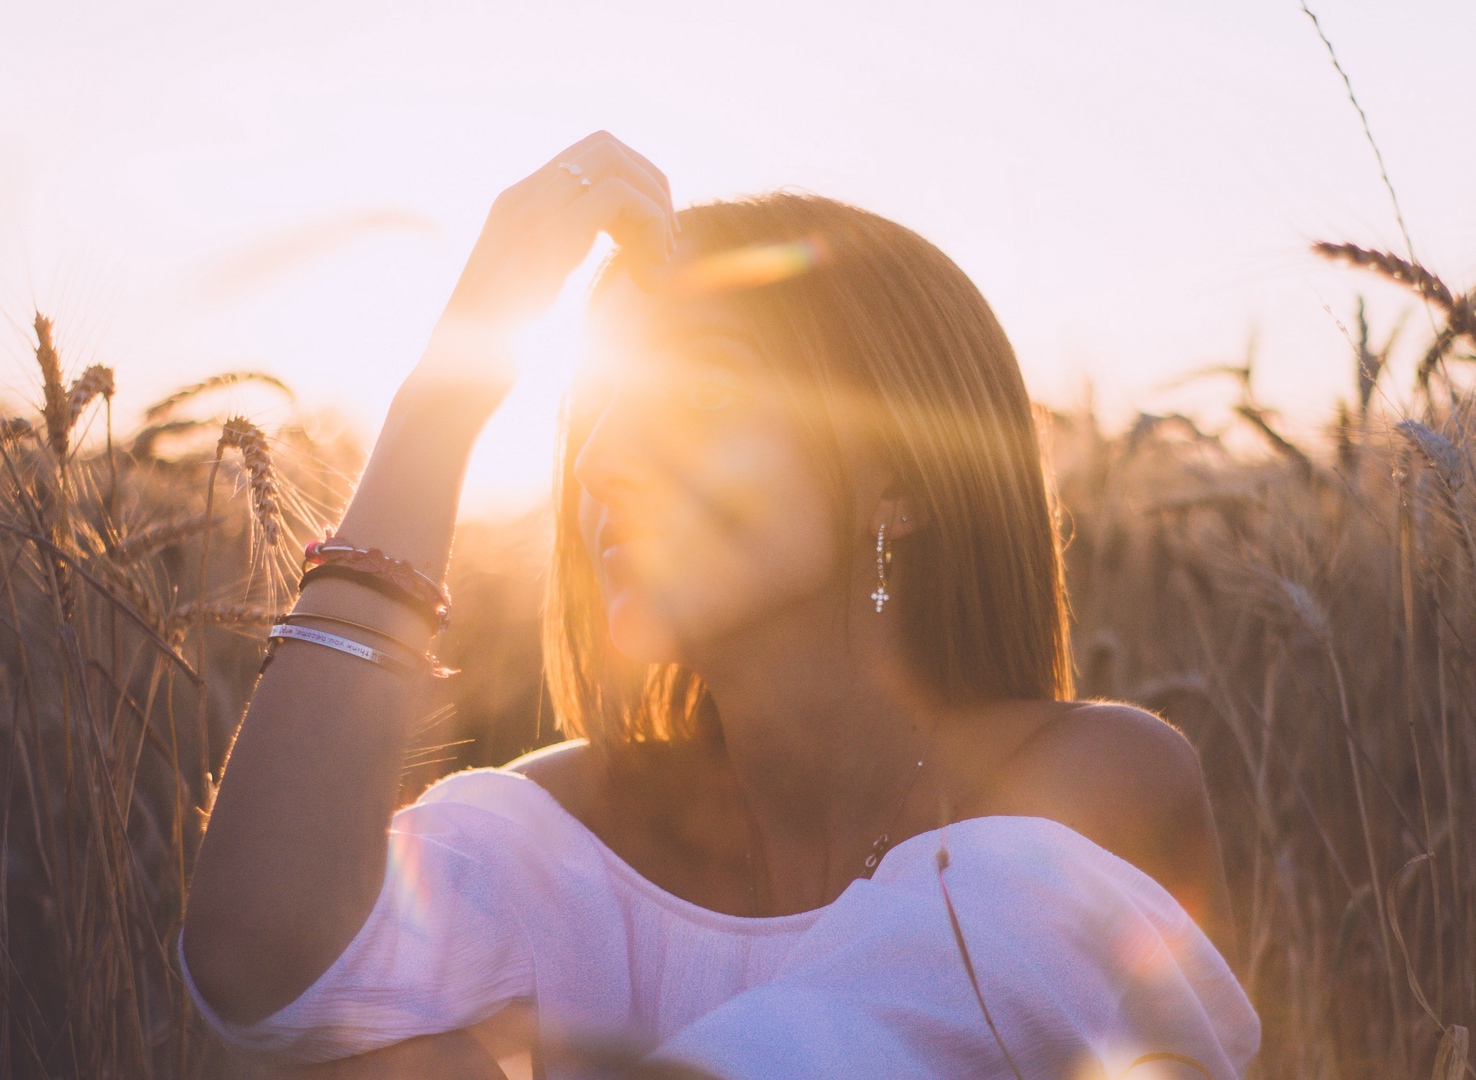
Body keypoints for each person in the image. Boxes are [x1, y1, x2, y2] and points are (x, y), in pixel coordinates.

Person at [180, 131, 1259, 1079]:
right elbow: (259, 955)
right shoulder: (568, 835)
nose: (602, 462)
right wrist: (446, 392)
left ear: (900, 474)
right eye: (596, 408)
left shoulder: (1089, 788)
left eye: (702, 393)